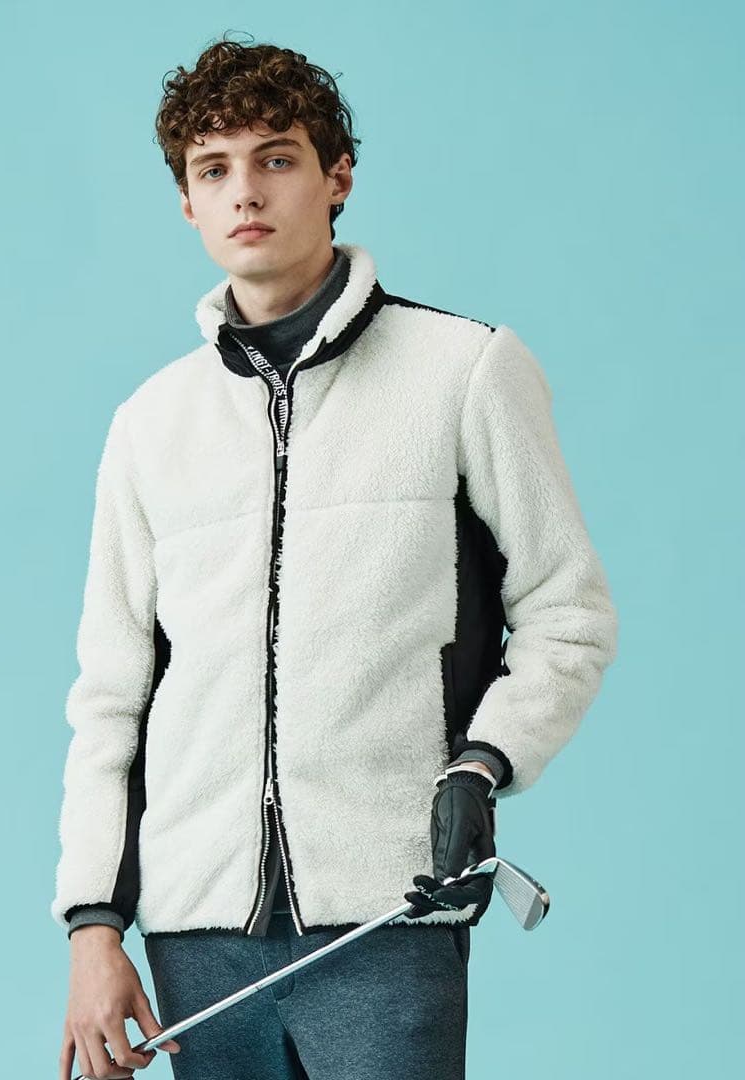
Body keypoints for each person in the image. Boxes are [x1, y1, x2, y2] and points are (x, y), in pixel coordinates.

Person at [54, 35, 619, 1080]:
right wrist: (94, 926)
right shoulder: (149, 425)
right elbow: (112, 696)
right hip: (196, 932)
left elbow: (569, 613)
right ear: (187, 202)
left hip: (388, 915)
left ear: (338, 176)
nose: (245, 191)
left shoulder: (466, 371)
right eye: (214, 169)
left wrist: (484, 762)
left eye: (277, 158)